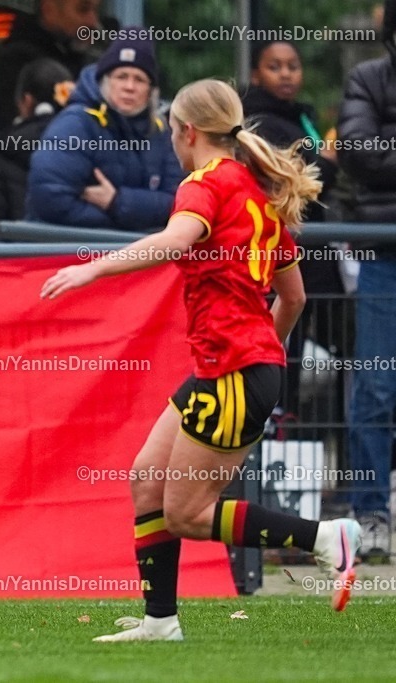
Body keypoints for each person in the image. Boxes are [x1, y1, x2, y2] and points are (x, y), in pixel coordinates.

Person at [40, 78, 360, 641]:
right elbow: (295, 297)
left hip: (237, 371)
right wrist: (267, 358)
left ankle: (323, 539)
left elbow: (175, 240)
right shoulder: (257, 195)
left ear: (186, 132)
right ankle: (160, 621)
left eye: (171, 132)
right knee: (145, 480)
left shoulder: (206, 184)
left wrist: (94, 267)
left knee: (188, 512)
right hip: (236, 369)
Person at [241, 40, 349, 472]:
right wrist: (322, 159)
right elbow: (319, 170)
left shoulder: (300, 116)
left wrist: (321, 160)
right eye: (274, 67)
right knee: (280, 353)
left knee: (343, 354)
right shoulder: (258, 120)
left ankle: (330, 461)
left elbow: (322, 170)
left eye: (292, 66)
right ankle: (272, 451)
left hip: (319, 262)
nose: (285, 74)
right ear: (256, 76)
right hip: (281, 257)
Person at [338, 0, 396, 562]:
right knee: (376, 389)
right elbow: (358, 151)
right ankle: (371, 512)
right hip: (386, 252)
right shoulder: (368, 77)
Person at [26, 32, 185, 231]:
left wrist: (117, 202)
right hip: (66, 252)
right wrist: (123, 225)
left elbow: (179, 203)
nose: (129, 87)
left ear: (151, 90)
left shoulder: (160, 133)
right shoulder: (76, 123)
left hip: (133, 254)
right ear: (105, 81)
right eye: (121, 76)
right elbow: (50, 198)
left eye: (140, 79)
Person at [0, 58, 74, 242]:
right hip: (77, 261)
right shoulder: (87, 147)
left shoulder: (3, 153)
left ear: (26, 100)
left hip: (21, 263)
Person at [0, 0, 102, 133]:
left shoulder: (88, 63)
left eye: (95, 10)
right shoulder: (17, 63)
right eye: (83, 10)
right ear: (49, 10)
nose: (92, 21)